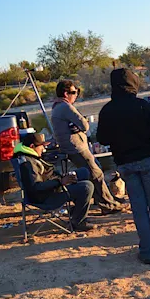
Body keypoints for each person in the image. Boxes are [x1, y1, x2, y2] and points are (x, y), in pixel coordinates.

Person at [97, 68, 150, 264]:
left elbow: (102, 138)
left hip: (126, 164)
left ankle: (147, 251)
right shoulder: (143, 106)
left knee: (139, 209)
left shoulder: (107, 110)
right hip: (149, 161)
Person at [51, 79, 122, 215]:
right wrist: (80, 125)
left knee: (93, 172)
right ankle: (108, 205)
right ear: (66, 94)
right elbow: (84, 125)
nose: (76, 95)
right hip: (76, 147)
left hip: (70, 147)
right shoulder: (66, 107)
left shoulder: (56, 107)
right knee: (96, 174)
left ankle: (105, 200)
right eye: (74, 92)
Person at [13, 133, 95, 232]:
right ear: (32, 146)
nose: (44, 149)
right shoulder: (27, 164)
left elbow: (44, 176)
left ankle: (76, 213)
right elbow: (35, 187)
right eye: (42, 146)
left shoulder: (31, 156)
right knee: (87, 187)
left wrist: (61, 177)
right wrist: (60, 182)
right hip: (45, 198)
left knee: (84, 172)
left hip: (51, 189)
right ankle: (78, 222)